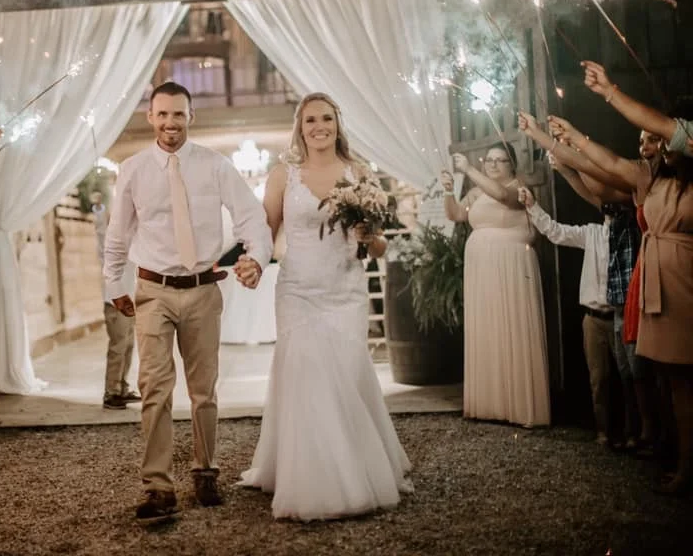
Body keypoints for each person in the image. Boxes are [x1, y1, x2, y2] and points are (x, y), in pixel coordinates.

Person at [103, 81, 272, 525]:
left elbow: (251, 217)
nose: (170, 122)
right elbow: (118, 234)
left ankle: (205, 470)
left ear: (190, 116)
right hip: (153, 291)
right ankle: (158, 487)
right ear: (150, 117)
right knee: (154, 388)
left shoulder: (215, 166)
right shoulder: (133, 169)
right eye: (162, 114)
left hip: (202, 290)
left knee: (203, 390)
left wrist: (256, 257)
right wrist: (113, 284)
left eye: (178, 114)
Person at [239, 92, 412, 521]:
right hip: (298, 290)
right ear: (300, 127)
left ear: (338, 124)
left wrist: (368, 237)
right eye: (311, 120)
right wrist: (255, 263)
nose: (319, 127)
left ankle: (354, 468)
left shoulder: (359, 173)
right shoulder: (283, 175)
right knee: (307, 373)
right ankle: (312, 478)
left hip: (345, 290)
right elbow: (265, 232)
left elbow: (379, 245)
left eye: (327, 119)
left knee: (345, 374)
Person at [442, 146, 551, 427]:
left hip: (512, 267)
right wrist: (448, 191)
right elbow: (456, 214)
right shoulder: (477, 191)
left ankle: (520, 407)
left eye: (499, 160)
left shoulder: (519, 188)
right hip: (483, 270)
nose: (492, 164)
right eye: (488, 160)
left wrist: (468, 169)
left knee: (512, 324)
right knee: (488, 327)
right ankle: (490, 404)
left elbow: (502, 196)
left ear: (511, 164)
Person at [518, 185, 617, 445]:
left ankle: (634, 434)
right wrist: (532, 205)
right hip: (593, 319)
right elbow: (556, 232)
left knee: (631, 379)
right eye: (608, 208)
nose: (611, 213)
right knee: (598, 379)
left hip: (620, 317)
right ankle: (603, 432)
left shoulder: (631, 237)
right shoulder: (591, 233)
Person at [90, 189, 139, 410]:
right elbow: (100, 228)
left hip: (131, 301)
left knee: (128, 346)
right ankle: (111, 392)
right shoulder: (109, 241)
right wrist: (99, 207)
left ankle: (122, 387)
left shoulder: (132, 241)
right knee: (118, 347)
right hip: (114, 302)